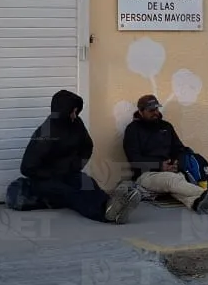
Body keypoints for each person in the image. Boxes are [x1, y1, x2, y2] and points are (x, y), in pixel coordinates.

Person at [20, 89, 142, 224]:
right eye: (72, 111)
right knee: (70, 193)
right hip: (44, 180)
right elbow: (26, 168)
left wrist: (76, 165)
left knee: (87, 183)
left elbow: (87, 146)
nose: (74, 115)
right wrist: (54, 174)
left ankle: (112, 204)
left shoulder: (76, 124)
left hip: (69, 173)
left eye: (76, 111)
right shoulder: (46, 133)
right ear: (62, 111)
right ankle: (103, 215)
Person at [123, 94, 208, 213]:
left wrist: (176, 162)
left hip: (172, 172)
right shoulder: (132, 130)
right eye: (151, 110)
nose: (155, 113)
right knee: (172, 181)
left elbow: (179, 149)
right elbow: (134, 160)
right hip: (145, 175)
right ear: (141, 112)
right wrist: (160, 165)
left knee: (178, 186)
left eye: (157, 109)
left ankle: (197, 203)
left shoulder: (166, 126)